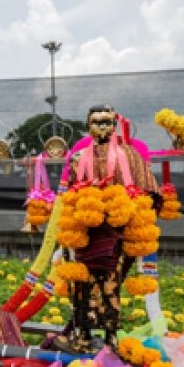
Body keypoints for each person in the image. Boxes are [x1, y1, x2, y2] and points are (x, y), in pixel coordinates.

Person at [54, 105, 160, 353]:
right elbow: (69, 195)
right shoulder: (79, 158)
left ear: (115, 125)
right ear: (88, 126)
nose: (102, 126)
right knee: (82, 287)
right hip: (86, 234)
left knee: (111, 285)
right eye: (96, 121)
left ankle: (111, 336)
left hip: (118, 233)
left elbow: (149, 188)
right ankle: (82, 334)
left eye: (107, 122)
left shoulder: (131, 155)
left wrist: (136, 206)